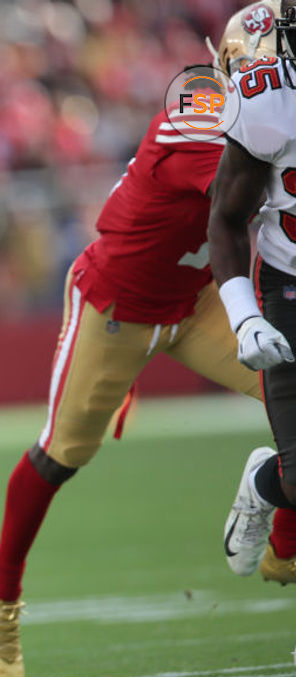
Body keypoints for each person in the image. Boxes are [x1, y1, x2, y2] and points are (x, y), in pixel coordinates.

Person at [0, 0, 296, 677]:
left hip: (202, 298)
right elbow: (244, 200)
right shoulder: (203, 127)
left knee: (290, 389)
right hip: (120, 307)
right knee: (63, 453)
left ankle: (283, 531)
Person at [209, 2, 296, 593]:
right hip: (290, 287)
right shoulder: (267, 95)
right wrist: (243, 318)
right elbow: (226, 216)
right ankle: (269, 483)